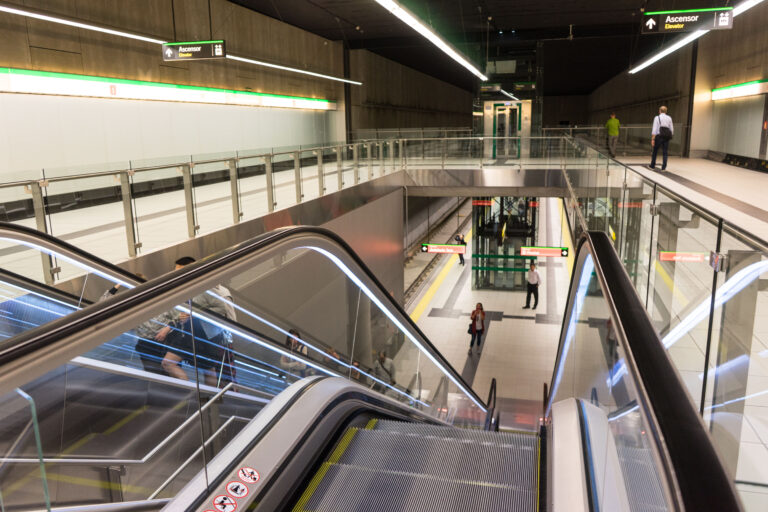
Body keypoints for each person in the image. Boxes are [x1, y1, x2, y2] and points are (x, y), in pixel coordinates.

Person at [160, 257, 238, 387]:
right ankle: (202, 398)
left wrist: (194, 315)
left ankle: (207, 400)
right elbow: (181, 313)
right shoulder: (185, 288)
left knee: (209, 370)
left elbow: (224, 310)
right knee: (170, 363)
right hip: (189, 335)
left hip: (206, 337)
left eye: (180, 271)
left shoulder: (206, 288)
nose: (177, 275)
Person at [649, 106, 674, 171]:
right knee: (665, 152)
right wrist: (670, 135)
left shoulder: (657, 118)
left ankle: (652, 166)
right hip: (666, 137)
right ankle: (663, 167)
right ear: (666, 111)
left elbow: (654, 128)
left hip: (659, 136)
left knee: (655, 151)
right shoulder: (669, 118)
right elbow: (671, 128)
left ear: (660, 111)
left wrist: (653, 139)